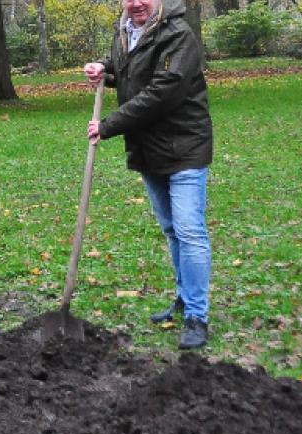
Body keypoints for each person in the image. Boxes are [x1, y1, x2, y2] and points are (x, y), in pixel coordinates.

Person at [84, 0, 213, 349]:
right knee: (173, 231)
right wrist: (104, 70)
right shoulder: (125, 30)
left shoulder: (177, 34)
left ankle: (198, 317)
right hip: (149, 149)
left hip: (184, 144)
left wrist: (108, 126)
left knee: (190, 231)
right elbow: (129, 71)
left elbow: (162, 93)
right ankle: (184, 299)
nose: (135, 3)